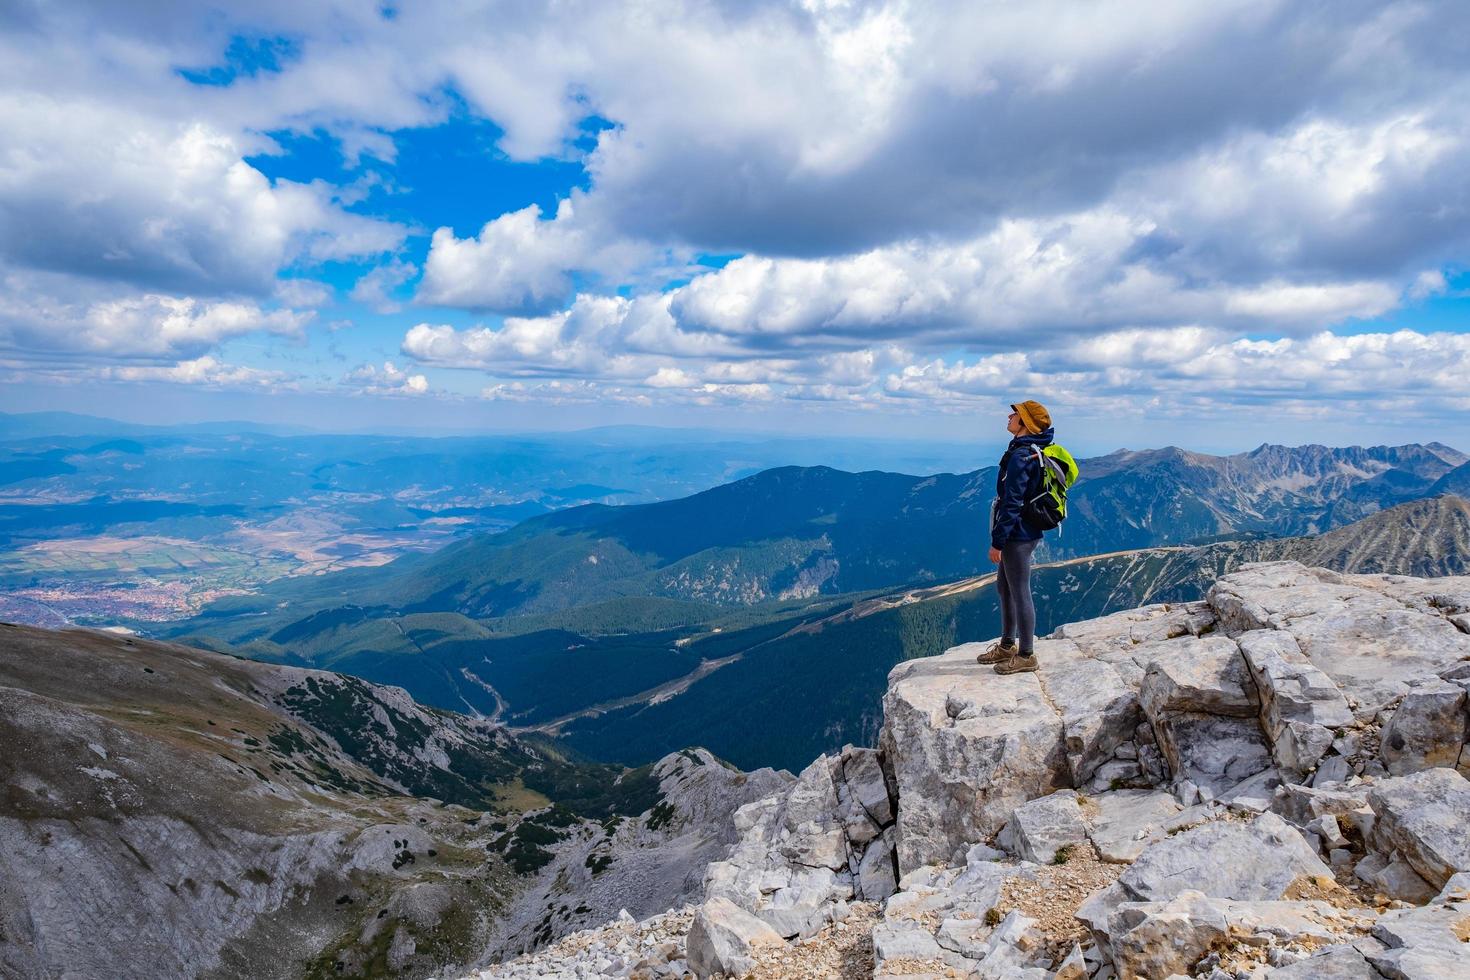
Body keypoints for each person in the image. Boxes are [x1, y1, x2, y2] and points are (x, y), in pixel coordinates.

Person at [976, 400, 1054, 674]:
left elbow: (1012, 503)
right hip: (1021, 531)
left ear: (1025, 423)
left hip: (1017, 535)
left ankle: (1026, 654)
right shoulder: (1026, 450)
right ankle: (1008, 644)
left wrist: (998, 541)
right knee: (1005, 587)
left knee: (1020, 591)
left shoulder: (1022, 457)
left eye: (1016, 414)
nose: (1009, 416)